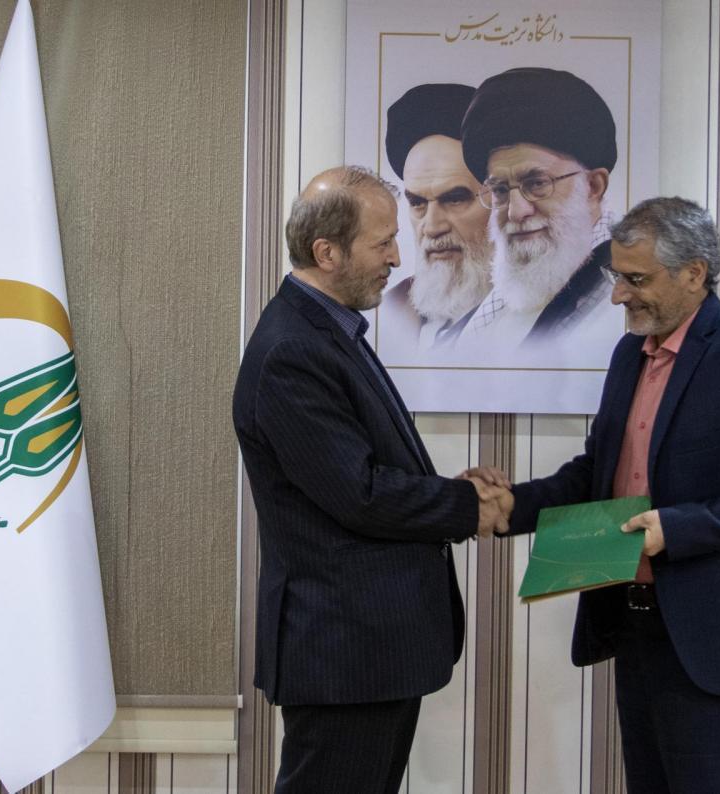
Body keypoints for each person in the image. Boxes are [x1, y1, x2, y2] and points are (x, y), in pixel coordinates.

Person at [466, 197, 720, 793]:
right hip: (637, 624)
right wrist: (513, 506)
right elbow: (599, 472)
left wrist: (679, 529)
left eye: (636, 279)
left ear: (694, 273)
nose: (618, 295)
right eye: (616, 276)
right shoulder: (628, 354)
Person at [232, 165, 510, 794]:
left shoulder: (327, 330)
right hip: (345, 651)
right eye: (382, 243)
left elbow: (358, 470)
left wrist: (451, 489)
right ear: (327, 253)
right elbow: (357, 494)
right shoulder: (292, 351)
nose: (397, 258)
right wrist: (467, 505)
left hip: (368, 648)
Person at [459, 66, 620, 348]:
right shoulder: (484, 313)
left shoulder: (623, 295)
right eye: (500, 190)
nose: (515, 212)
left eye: (536, 184)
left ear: (593, 187)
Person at [380, 83, 494, 349]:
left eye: (455, 199)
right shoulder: (389, 312)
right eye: (417, 203)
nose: (432, 227)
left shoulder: (549, 315)